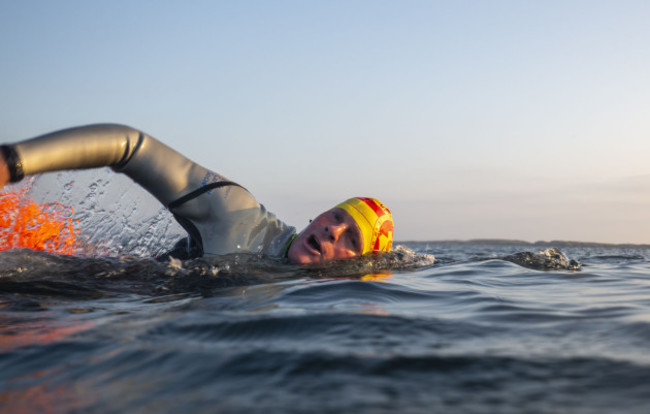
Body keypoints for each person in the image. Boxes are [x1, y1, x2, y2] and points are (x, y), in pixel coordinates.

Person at [0, 124, 393, 264]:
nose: (333, 231)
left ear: (353, 268)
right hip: (93, 290)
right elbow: (129, 145)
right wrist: (11, 162)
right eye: (337, 217)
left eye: (352, 238)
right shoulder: (236, 213)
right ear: (317, 217)